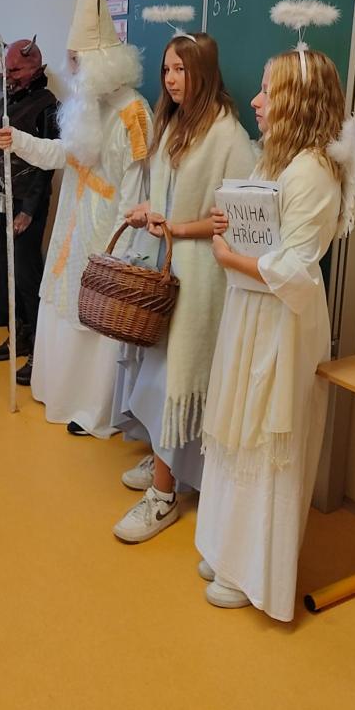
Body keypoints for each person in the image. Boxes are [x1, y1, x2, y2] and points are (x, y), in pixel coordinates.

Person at [196, 39, 355, 619]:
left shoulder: (313, 171)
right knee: (238, 425)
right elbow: (260, 229)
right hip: (252, 311)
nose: (256, 100)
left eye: (268, 91)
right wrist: (227, 222)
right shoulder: (277, 161)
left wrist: (230, 257)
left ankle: (254, 572)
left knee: (267, 433)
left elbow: (295, 268)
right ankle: (226, 547)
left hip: (280, 321)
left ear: (296, 100)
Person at [0, 0, 151, 436]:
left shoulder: (133, 112)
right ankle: (58, 392)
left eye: (78, 60)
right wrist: (18, 141)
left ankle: (93, 409)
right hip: (73, 221)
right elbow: (63, 154)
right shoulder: (87, 105)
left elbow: (137, 187)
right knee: (63, 304)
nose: (71, 67)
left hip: (106, 232)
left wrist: (120, 249)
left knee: (97, 316)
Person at [111, 31, 254, 543]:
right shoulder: (174, 123)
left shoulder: (229, 136)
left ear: (204, 72)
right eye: (167, 69)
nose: (171, 79)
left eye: (181, 69)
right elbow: (167, 195)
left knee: (178, 378)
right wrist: (150, 213)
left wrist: (173, 225)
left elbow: (229, 220)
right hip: (165, 264)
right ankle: (163, 461)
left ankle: (164, 496)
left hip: (199, 275)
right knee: (155, 372)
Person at [0, 38, 58, 386]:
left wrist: (28, 211)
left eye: (14, 70)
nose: (7, 76)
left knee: (27, 275)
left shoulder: (48, 105)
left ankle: (40, 351)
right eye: (5, 70)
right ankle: (19, 335)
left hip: (28, 201)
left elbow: (46, 165)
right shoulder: (6, 99)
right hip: (3, 196)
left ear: (35, 67)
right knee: (6, 269)